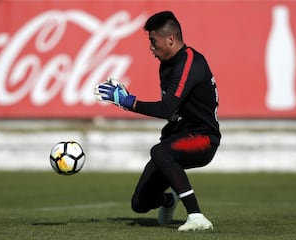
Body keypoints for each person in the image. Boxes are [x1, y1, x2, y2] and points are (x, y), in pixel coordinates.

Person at [94, 10, 221, 232]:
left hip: (203, 139)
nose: (151, 48)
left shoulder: (190, 62)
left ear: (170, 39)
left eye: (153, 41)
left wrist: (129, 102)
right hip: (178, 137)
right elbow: (174, 111)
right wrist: (128, 102)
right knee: (139, 204)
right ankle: (170, 200)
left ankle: (196, 215)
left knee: (160, 152)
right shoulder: (166, 63)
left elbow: (166, 108)